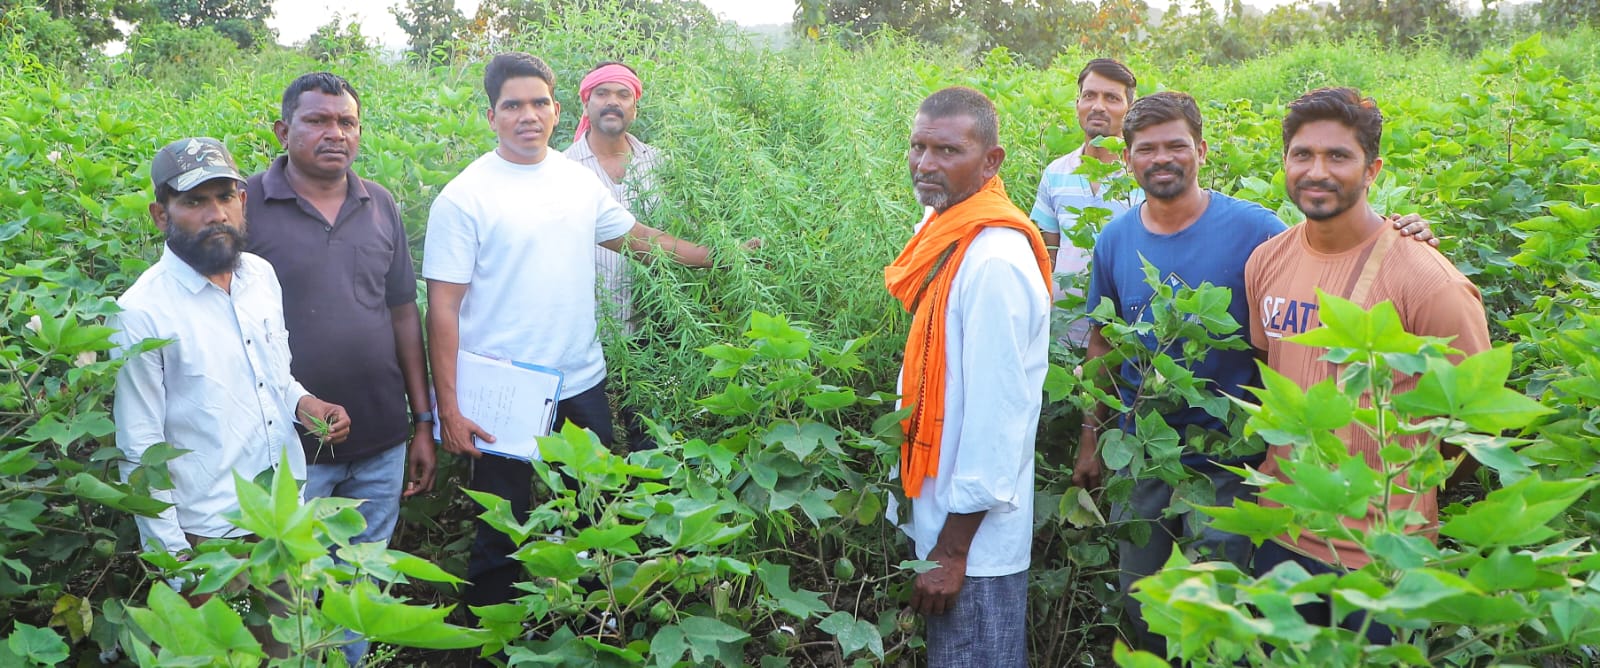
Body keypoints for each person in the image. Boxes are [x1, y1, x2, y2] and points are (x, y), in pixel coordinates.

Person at [423, 52, 753, 612]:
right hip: (506, 392)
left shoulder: (576, 180)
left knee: (597, 513)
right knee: (503, 527)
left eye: (538, 103)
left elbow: (637, 238)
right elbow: (442, 310)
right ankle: (490, 635)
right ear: (491, 116)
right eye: (512, 106)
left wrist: (719, 258)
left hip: (581, 379)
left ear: (555, 111)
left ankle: (591, 625)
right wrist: (447, 410)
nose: (527, 115)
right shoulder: (465, 196)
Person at [1244, 87, 1490, 642]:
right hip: (1280, 534)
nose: (1317, 171)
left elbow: (1478, 423)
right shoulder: (1267, 260)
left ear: (1372, 168)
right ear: (1284, 162)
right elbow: (1274, 369)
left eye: (1339, 156)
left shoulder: (1427, 280)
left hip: (1381, 560)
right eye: (1302, 155)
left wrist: (1416, 490)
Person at [110, 137, 351, 655]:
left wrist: (307, 406)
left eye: (226, 196)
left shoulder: (259, 278)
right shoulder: (142, 313)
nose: (215, 213)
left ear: (243, 201)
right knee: (229, 658)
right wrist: (180, 569)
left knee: (290, 652)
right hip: (209, 541)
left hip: (279, 520)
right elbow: (141, 448)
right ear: (160, 214)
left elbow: (276, 377)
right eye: (194, 201)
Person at [1074, 90, 1283, 656]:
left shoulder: (1257, 229)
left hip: (1229, 458)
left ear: (1202, 151)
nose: (1161, 158)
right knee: (1143, 606)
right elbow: (1102, 344)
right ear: (1127, 160)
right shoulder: (1115, 238)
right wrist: (1091, 441)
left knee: (1217, 614)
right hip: (1139, 456)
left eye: (1176, 146)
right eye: (1146, 149)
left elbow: (1299, 323)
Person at [244, 71, 434, 665]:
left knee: (360, 588)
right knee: (291, 595)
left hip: (380, 441)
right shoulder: (247, 204)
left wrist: (422, 421)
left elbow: (404, 313)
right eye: (318, 120)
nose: (335, 133)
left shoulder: (378, 203)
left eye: (346, 122)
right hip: (288, 449)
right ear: (283, 130)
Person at [886, 86, 1051, 666]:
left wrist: (952, 551)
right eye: (918, 147)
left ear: (991, 162)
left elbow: (998, 415)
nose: (927, 164)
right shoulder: (942, 230)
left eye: (948, 150)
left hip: (974, 542)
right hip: (942, 517)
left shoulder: (994, 259)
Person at [564, 60, 662, 452]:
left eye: (623, 94)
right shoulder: (561, 169)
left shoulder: (661, 164)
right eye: (602, 93)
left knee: (650, 438)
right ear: (586, 104)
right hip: (586, 332)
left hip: (652, 329)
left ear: (635, 106)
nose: (612, 102)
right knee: (590, 448)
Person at [1030, 58, 1145, 345]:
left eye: (1112, 98)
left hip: (1125, 337)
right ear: (1077, 103)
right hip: (1061, 334)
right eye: (1089, 95)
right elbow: (1047, 255)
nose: (1098, 106)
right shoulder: (1056, 173)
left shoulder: (1142, 174)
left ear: (1129, 108)